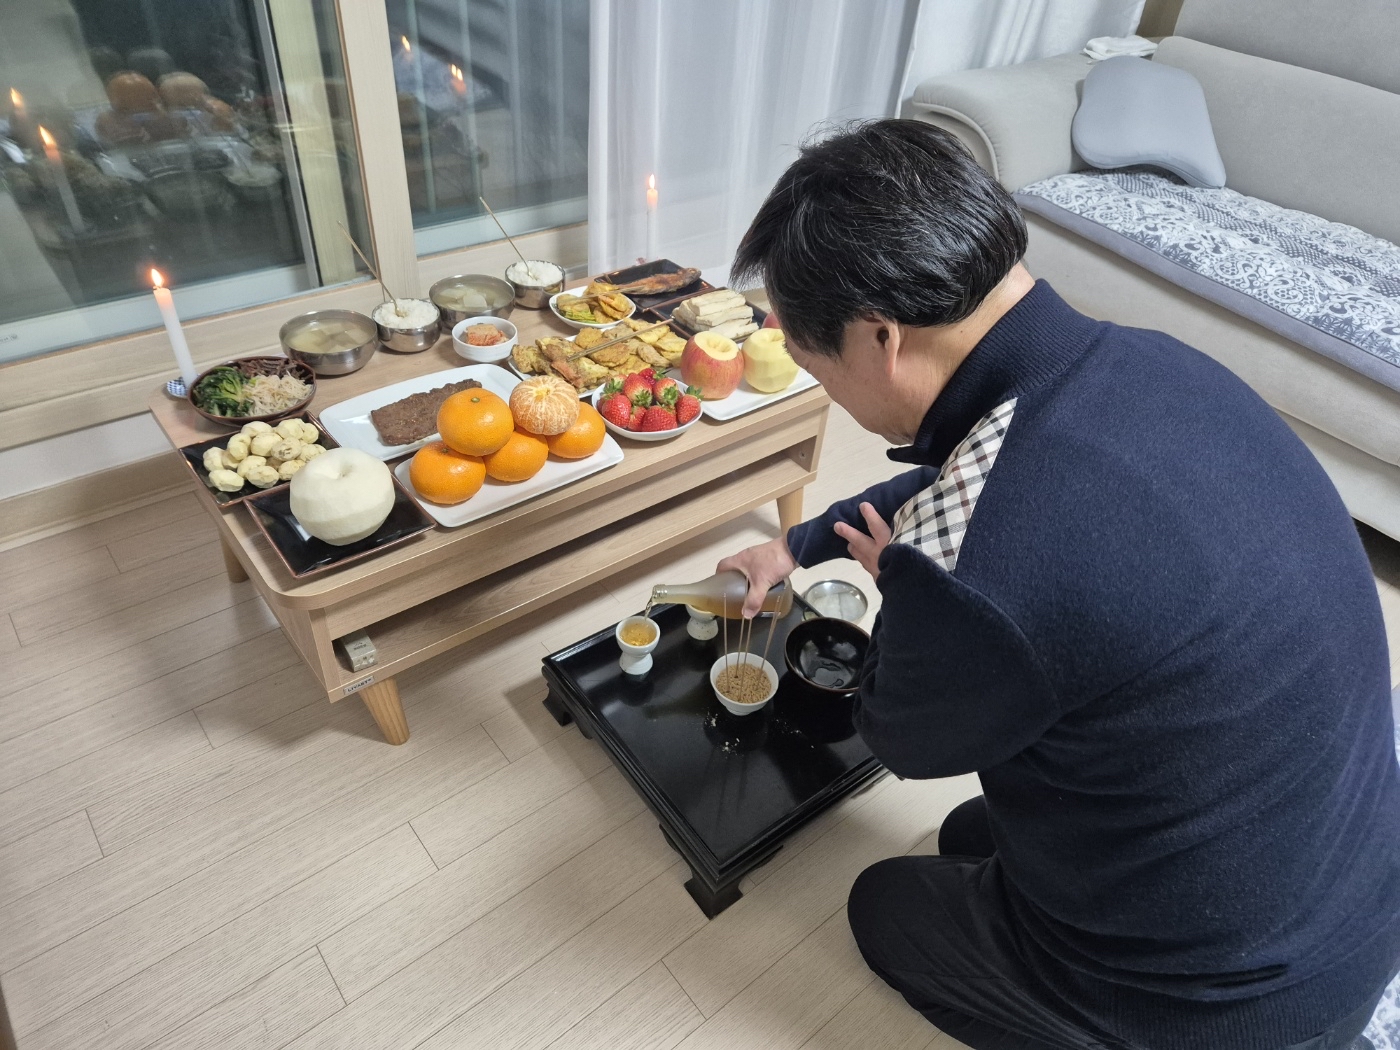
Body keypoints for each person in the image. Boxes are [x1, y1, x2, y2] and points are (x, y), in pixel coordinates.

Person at [718, 119, 1400, 1050]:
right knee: (976, 829)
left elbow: (900, 735)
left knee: (887, 901)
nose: (822, 387)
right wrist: (798, 546)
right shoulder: (1152, 365)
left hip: (1230, 1006)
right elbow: (969, 479)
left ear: (880, 338)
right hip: (1347, 891)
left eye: (812, 362)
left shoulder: (977, 565)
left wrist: (907, 591)